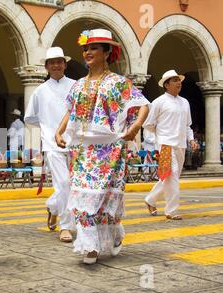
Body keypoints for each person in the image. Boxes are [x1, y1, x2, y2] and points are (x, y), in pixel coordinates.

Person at [55, 29, 150, 264]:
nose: (87, 52)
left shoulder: (118, 83)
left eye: (94, 47)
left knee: (104, 198)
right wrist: (59, 130)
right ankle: (90, 246)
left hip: (111, 149)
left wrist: (136, 126)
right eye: (85, 48)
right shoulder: (78, 85)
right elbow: (71, 111)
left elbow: (143, 105)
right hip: (83, 149)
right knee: (81, 196)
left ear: (107, 52)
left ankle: (115, 232)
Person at [24, 46, 76, 243]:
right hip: (52, 144)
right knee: (62, 183)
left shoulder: (75, 85)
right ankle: (65, 226)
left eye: (59, 61)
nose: (56, 65)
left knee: (73, 185)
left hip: (75, 143)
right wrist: (47, 126)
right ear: (46, 66)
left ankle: (53, 206)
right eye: (52, 62)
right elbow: (30, 117)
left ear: (65, 64)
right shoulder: (39, 91)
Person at [143, 70, 199, 220]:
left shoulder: (184, 102)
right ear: (166, 85)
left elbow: (188, 125)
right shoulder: (158, 102)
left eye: (178, 80)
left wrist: (191, 140)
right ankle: (171, 210)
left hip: (181, 144)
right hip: (165, 144)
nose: (178, 82)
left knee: (170, 177)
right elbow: (148, 124)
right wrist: (158, 140)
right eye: (174, 80)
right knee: (172, 175)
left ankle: (150, 199)